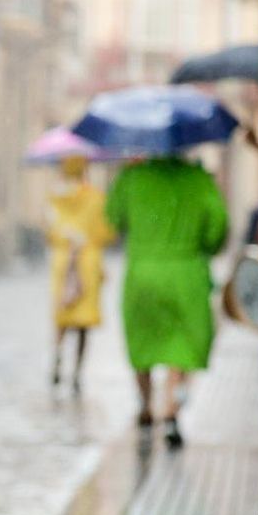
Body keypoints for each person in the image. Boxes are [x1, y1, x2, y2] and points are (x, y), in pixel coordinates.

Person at [104, 154, 229, 448]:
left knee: (143, 341)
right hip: (186, 274)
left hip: (143, 273)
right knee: (181, 345)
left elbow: (111, 218)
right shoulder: (199, 181)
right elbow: (218, 230)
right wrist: (199, 245)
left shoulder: (132, 177)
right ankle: (172, 410)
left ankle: (146, 405)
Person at [45, 154, 115, 392]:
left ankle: (57, 357)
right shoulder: (96, 198)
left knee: (63, 315)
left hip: (64, 262)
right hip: (88, 261)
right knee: (84, 322)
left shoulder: (56, 198)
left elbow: (50, 231)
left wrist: (66, 237)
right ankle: (77, 370)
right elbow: (107, 232)